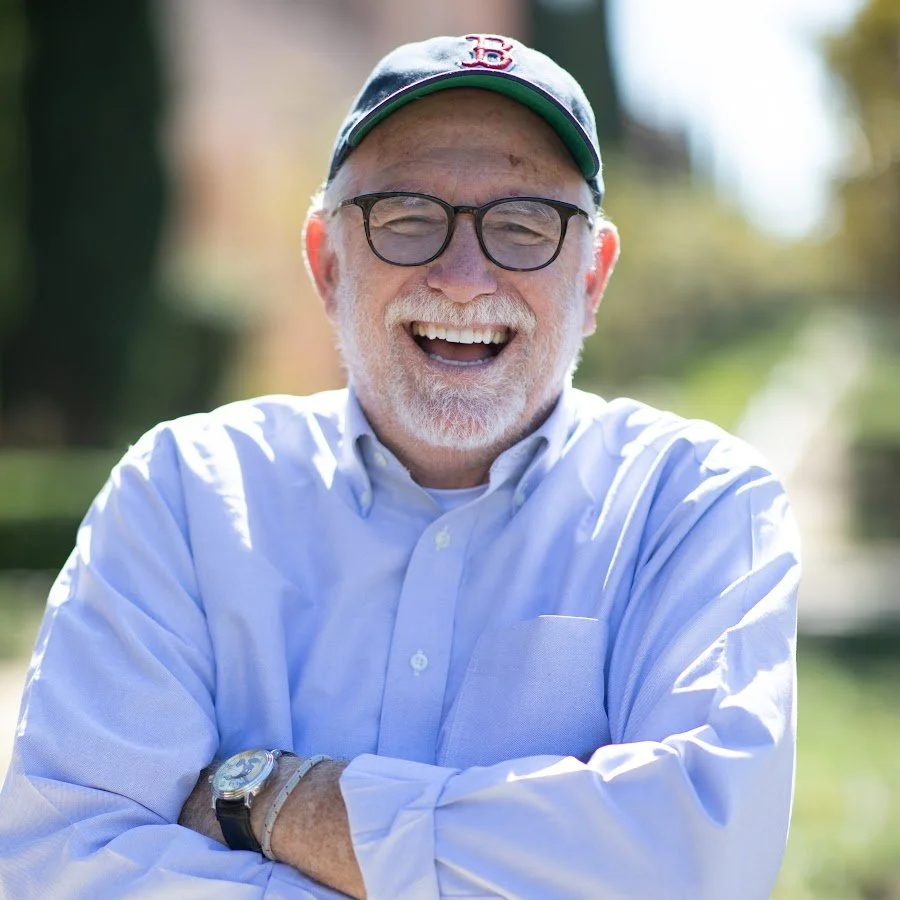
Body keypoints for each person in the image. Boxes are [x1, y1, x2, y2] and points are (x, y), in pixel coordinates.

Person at [0, 33, 799, 899]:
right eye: (408, 219)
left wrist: (273, 800)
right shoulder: (184, 497)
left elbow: (699, 862)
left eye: (524, 226)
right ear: (327, 262)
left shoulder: (696, 507)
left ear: (593, 277)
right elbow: (64, 862)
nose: (462, 278)